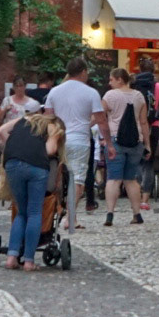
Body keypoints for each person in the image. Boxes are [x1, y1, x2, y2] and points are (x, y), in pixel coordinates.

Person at [44, 58, 110, 235]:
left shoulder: (54, 91)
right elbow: (101, 120)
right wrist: (109, 143)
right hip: (80, 139)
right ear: (83, 72)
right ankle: (70, 218)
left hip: (59, 138)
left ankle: (57, 212)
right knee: (78, 179)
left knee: (58, 177)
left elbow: (48, 118)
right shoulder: (91, 93)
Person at [0, 111, 64, 271]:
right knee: (34, 212)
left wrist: (16, 146)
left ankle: (11, 258)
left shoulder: (23, 120)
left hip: (12, 163)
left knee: (21, 212)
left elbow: (1, 131)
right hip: (37, 167)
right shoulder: (53, 126)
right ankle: (29, 261)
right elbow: (50, 150)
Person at [101, 68, 148, 226]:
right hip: (135, 142)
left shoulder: (110, 95)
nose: (109, 83)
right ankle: (137, 214)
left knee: (114, 179)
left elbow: (100, 117)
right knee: (131, 179)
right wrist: (147, 144)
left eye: (111, 79)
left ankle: (110, 214)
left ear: (119, 79)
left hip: (115, 140)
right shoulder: (139, 96)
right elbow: (143, 122)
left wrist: (103, 138)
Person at [132, 57, 159, 209]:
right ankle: (145, 200)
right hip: (153, 127)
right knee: (149, 163)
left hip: (137, 126)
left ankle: (136, 197)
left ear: (140, 69)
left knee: (137, 161)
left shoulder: (134, 85)